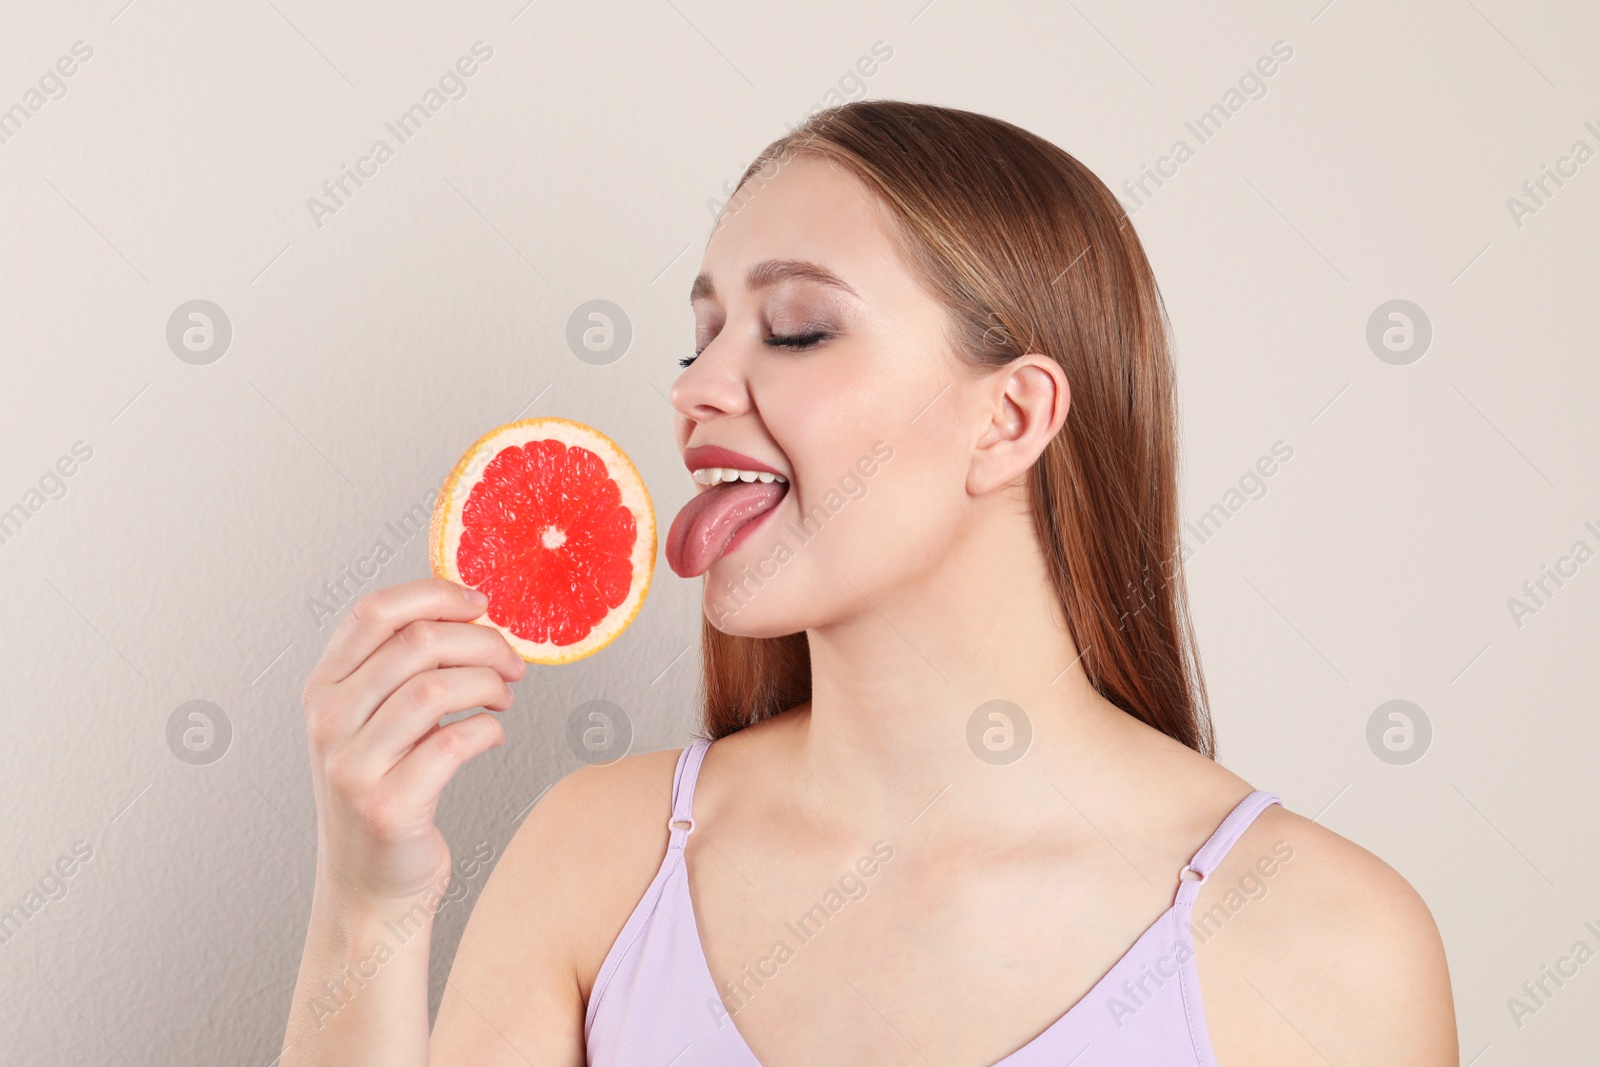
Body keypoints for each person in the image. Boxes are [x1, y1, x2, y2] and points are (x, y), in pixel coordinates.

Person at [280, 100, 1457, 1065]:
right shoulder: (599, 856)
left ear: (1010, 417)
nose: (696, 388)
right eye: (700, 339)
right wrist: (368, 900)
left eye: (792, 330)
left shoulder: (1324, 941)